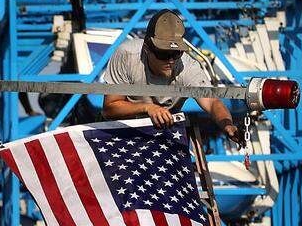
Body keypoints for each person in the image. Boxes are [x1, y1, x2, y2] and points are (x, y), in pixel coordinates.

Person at [101, 8, 245, 146]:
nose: (170, 60)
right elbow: (109, 109)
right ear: (146, 49)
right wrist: (147, 108)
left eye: (176, 53)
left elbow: (212, 102)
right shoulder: (126, 55)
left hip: (165, 133)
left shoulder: (188, 67)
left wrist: (228, 125)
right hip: (125, 134)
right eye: (163, 54)